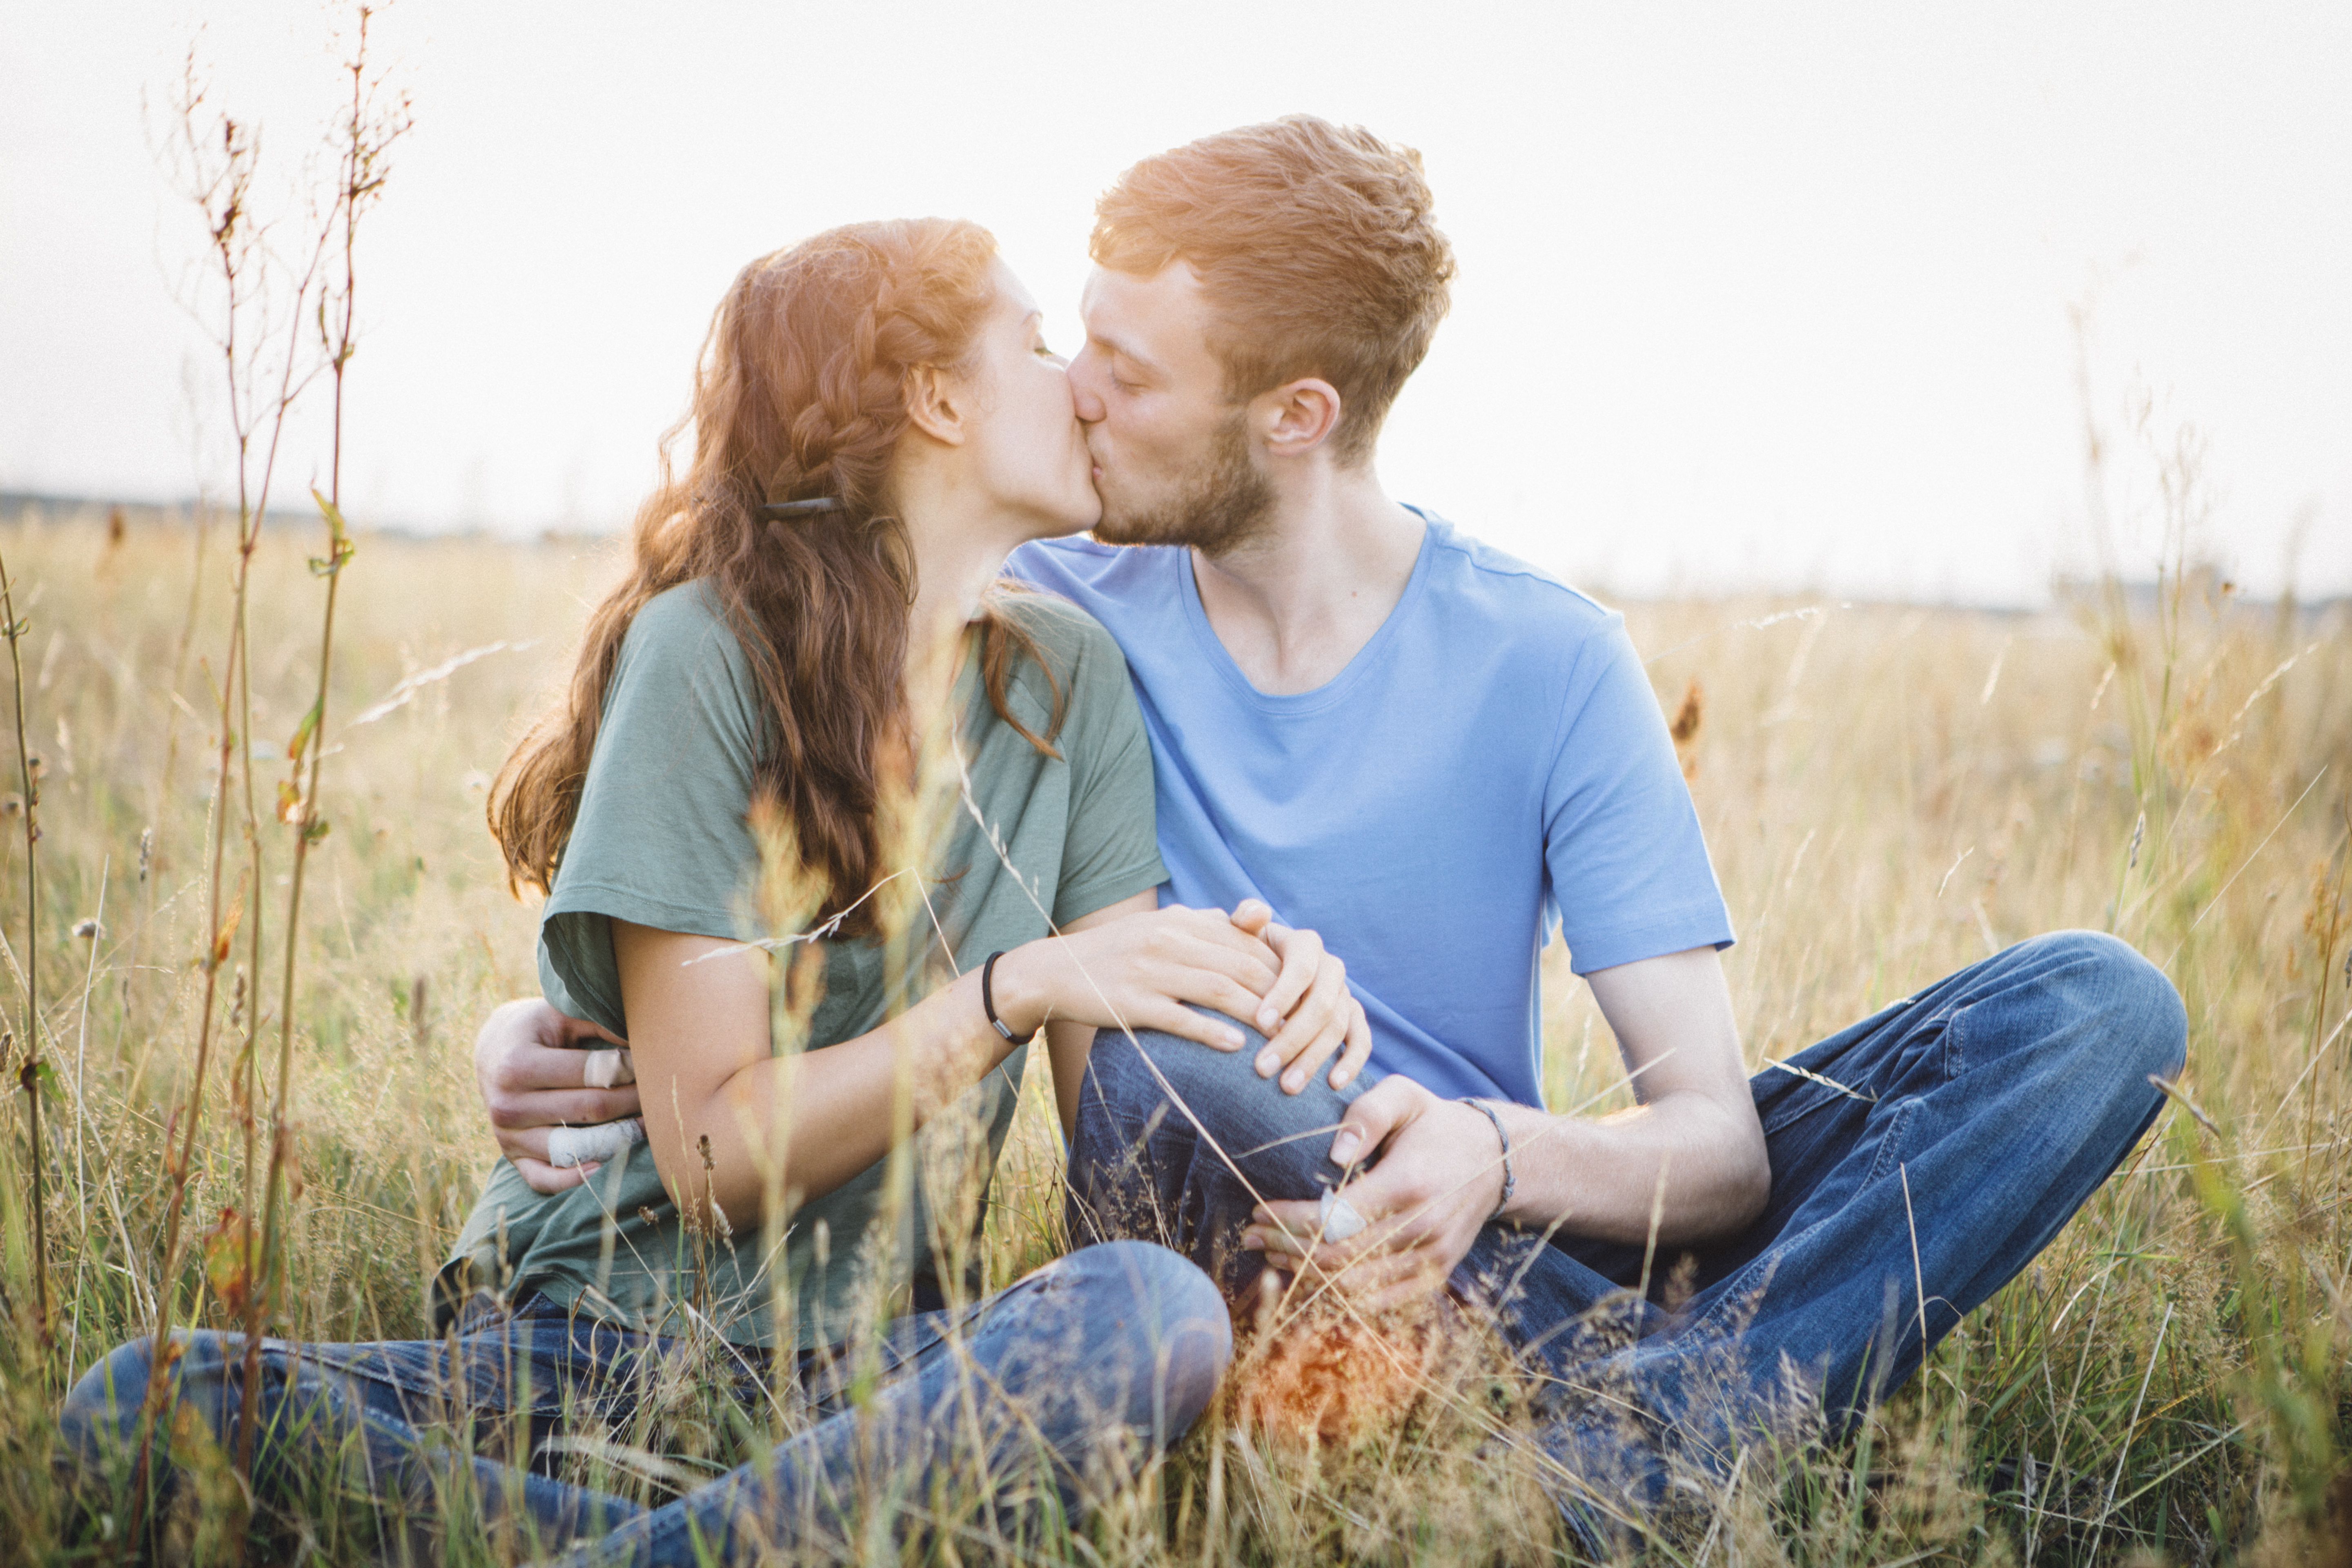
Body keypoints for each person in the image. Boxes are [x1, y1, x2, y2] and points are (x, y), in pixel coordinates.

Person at [475, 120, 2192, 1545]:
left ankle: (1656, 1428)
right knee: (1167, 1076)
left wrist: (1497, 1156)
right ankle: (1685, 1408)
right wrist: (542, 1031)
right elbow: (788, 709)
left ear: (1293, 415)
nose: (1077, 394)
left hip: (1527, 1223)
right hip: (1288, 1219)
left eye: (1128, 373)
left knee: (2093, 1007)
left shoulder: (1548, 657)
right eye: (1072, 346)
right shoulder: (1048, 605)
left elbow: (1721, 1152)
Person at [59, 218, 1376, 1564]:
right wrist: (1005, 994)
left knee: (1151, 1310)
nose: (1079, 383)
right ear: (934, 397)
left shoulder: (1067, 681)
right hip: (608, 1339)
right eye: (1037, 346)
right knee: (154, 1409)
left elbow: (1123, 1106)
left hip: (876, 1380)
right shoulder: (707, 656)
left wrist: (1273, 996)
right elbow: (711, 1160)